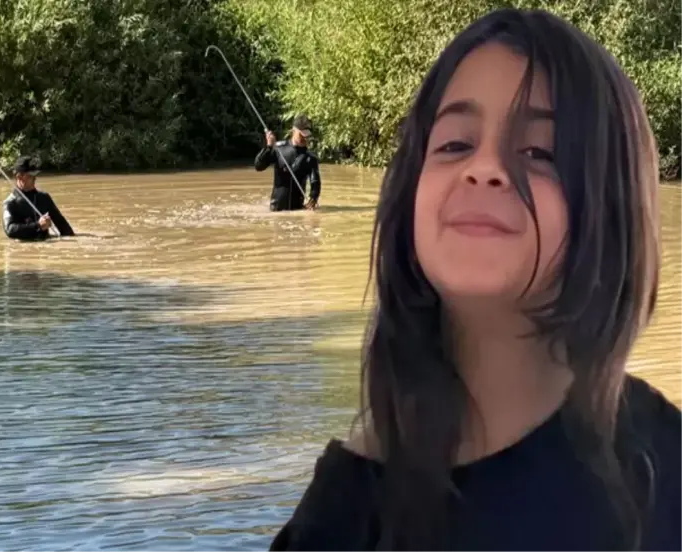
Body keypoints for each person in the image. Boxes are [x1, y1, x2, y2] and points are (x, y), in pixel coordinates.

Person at [269, 8, 682, 552]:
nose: (484, 167)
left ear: (611, 209)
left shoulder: (664, 472)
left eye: (538, 152)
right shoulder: (339, 520)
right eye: (455, 144)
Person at [255, 114, 321, 211]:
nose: (305, 138)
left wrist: (313, 198)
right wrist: (268, 147)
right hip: (276, 211)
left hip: (297, 211)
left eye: (307, 135)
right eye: (302, 135)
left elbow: (315, 182)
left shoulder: (310, 158)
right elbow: (258, 166)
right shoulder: (279, 149)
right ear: (293, 131)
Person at [2, 155, 74, 240]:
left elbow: (64, 228)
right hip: (25, 247)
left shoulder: (44, 198)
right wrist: (38, 226)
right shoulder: (10, 202)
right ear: (19, 177)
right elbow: (10, 230)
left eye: (35, 175)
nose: (34, 179)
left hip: (46, 246)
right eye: (30, 176)